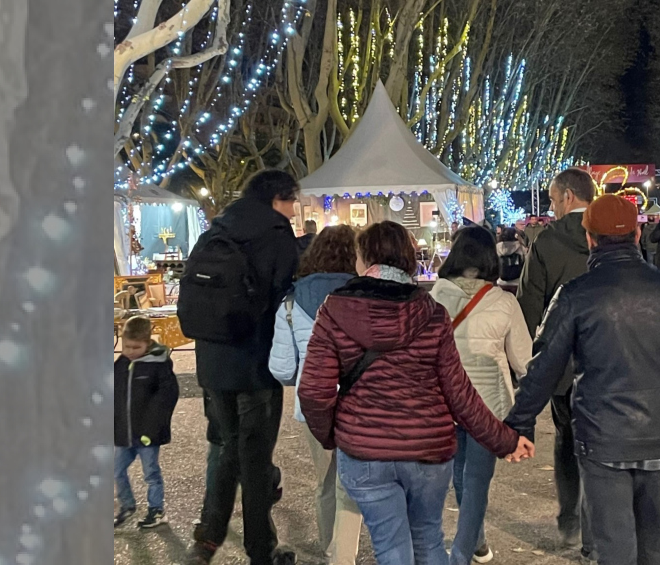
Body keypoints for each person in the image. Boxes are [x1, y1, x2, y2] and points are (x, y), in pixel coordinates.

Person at [299, 221, 535, 565]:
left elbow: (313, 391)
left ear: (363, 260)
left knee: (391, 545)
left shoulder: (335, 310)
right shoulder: (430, 312)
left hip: (366, 451)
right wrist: (506, 440)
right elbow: (460, 394)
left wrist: (332, 434)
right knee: (426, 539)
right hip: (427, 449)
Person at [504, 194, 660, 565]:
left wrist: (519, 424)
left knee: (614, 543)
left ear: (590, 238)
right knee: (653, 538)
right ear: (637, 234)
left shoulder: (575, 295)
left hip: (602, 433)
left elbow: (543, 367)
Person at [185, 170, 303, 565]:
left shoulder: (217, 228)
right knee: (254, 459)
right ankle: (260, 549)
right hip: (254, 362)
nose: (294, 209)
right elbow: (284, 292)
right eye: (292, 201)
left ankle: (207, 538)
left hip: (211, 361)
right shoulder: (275, 231)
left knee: (226, 448)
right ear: (277, 199)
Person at [431, 226, 533, 564]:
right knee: (475, 482)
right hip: (488, 406)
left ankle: (475, 542)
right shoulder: (503, 302)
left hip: (443, 402)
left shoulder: (433, 298)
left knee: (458, 476)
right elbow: (523, 360)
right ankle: (462, 553)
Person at [514, 168, 599, 555]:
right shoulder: (614, 232)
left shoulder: (547, 240)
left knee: (567, 439)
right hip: (613, 359)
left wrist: (527, 359)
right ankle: (598, 524)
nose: (550, 204)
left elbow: (530, 302)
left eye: (551, 198)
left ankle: (571, 521)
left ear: (567, 197)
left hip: (565, 365)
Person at [268, 225, 363, 565]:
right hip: (360, 400)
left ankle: (330, 548)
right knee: (361, 477)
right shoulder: (363, 294)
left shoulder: (291, 302)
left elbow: (280, 369)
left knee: (326, 481)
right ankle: (347, 548)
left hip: (313, 402)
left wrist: (306, 373)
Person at [114, 316, 180, 530]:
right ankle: (127, 505)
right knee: (116, 470)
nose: (130, 351)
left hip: (147, 433)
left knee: (150, 472)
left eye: (136, 347)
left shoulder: (158, 366)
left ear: (147, 343)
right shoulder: (121, 365)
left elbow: (166, 399)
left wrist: (154, 427)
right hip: (124, 431)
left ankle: (156, 509)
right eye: (126, 347)